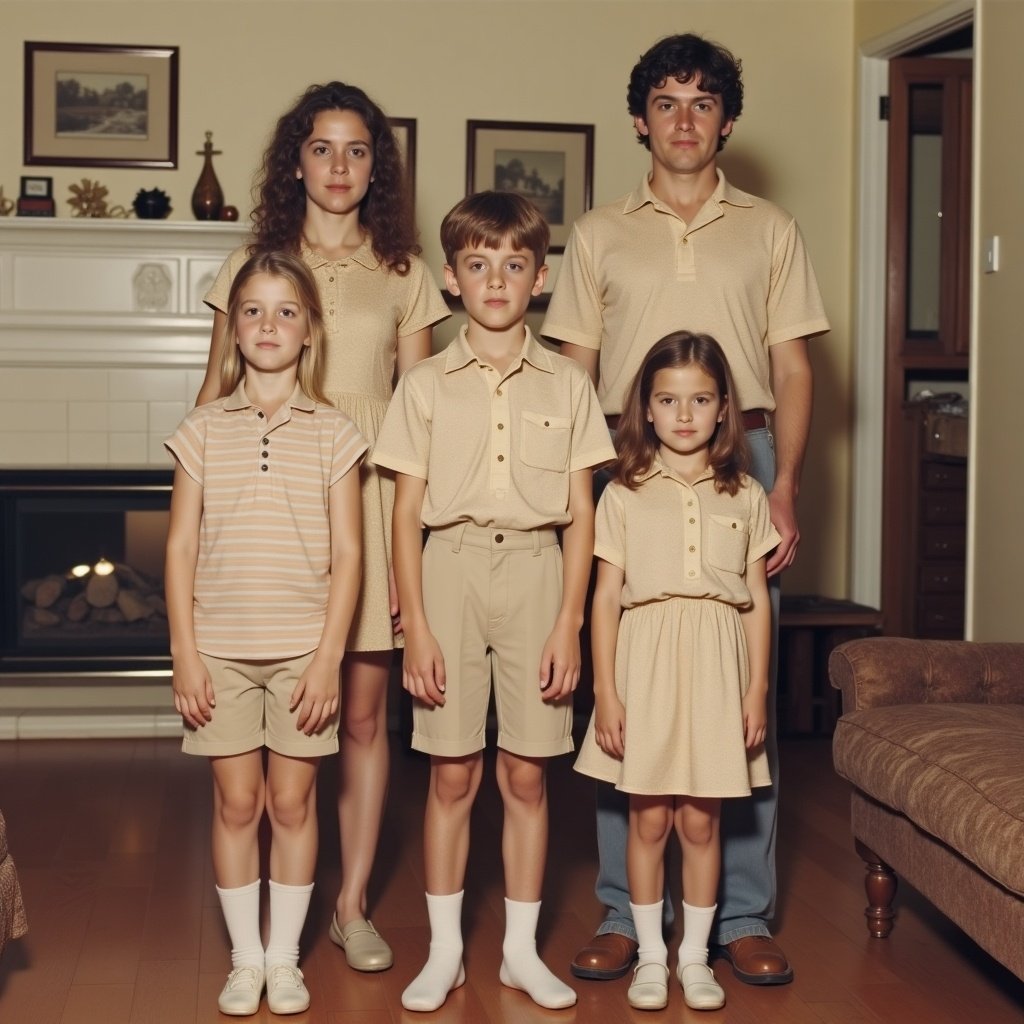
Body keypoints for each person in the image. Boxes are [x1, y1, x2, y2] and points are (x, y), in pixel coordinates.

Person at [542, 33, 830, 985]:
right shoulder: (596, 233)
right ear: (640, 118)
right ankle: (629, 914)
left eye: (703, 103)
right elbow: (574, 373)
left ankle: (739, 916)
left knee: (733, 697)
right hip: (623, 464)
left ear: (727, 122)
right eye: (666, 102)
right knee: (631, 698)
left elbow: (792, 366)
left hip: (741, 456)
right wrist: (575, 494)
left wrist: (781, 480)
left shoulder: (771, 227)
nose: (684, 119)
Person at [196, 82, 450, 973]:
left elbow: (422, 409)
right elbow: (213, 397)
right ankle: (260, 937)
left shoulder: (406, 271)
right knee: (271, 724)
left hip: (368, 508)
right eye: (321, 148)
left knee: (365, 718)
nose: (338, 166)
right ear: (294, 161)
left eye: (357, 150)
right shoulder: (252, 265)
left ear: (375, 166)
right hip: (271, 510)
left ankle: (348, 906)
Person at [372, 191, 616, 1012]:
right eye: (478, 265)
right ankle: (444, 952)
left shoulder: (570, 387)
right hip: (450, 571)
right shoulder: (427, 384)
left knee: (528, 775)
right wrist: (415, 627)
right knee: (451, 773)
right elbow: (406, 515)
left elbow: (583, 515)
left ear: (540, 277)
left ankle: (517, 951)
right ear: (452, 280)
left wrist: (570, 624)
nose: (497, 279)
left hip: (540, 576)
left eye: (514, 264)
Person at [165, 251, 367, 1016]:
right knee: (235, 803)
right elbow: (180, 546)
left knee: (292, 803)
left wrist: (327, 660)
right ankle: (244, 960)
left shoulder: (335, 433)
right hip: (217, 649)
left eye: (287, 311)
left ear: (311, 329)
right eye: (252, 310)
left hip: (302, 654)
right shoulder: (201, 428)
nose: (269, 324)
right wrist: (184, 651)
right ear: (233, 330)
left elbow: (350, 554)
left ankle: (285, 960)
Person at [575, 331, 778, 1012]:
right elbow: (605, 598)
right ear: (647, 409)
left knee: (701, 823)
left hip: (719, 670)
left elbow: (755, 605)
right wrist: (606, 690)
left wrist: (756, 691)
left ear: (724, 408)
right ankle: (651, 957)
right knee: (649, 821)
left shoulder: (746, 493)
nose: (684, 414)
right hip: (645, 665)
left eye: (699, 399)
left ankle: (696, 958)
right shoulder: (624, 491)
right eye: (668, 400)